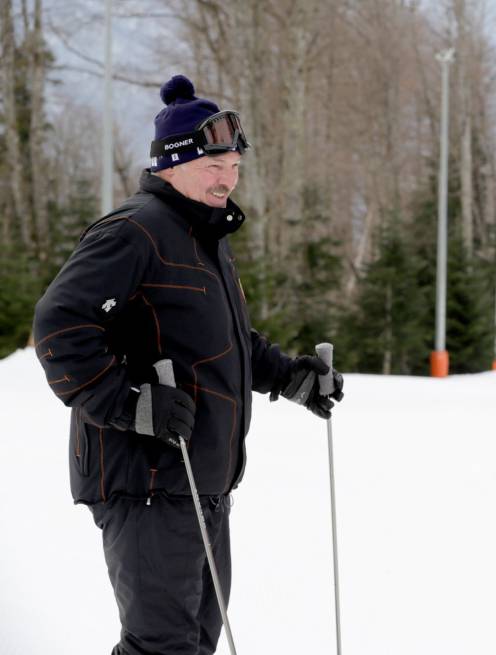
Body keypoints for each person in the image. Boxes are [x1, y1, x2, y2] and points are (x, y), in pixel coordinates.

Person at [32, 75, 344, 655]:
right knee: (162, 647)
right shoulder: (133, 231)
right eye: (212, 166)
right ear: (172, 165)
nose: (227, 178)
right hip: (146, 477)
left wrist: (291, 376)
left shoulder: (201, 240)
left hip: (201, 481)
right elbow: (59, 327)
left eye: (234, 166)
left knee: (195, 641)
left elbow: (225, 343)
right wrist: (127, 402)